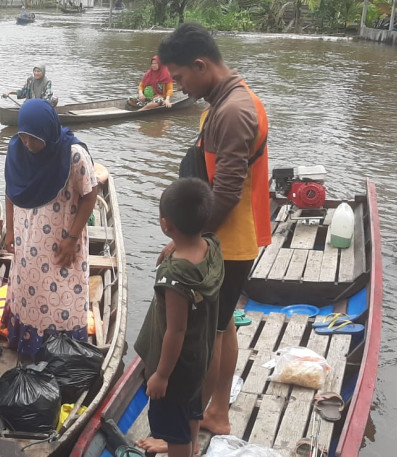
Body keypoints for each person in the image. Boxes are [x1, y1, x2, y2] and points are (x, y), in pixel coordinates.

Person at [139, 22, 271, 454]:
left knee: (207, 333)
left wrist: (186, 242)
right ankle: (213, 411)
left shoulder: (233, 112)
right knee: (222, 324)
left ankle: (194, 423)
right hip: (225, 238)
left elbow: (228, 192)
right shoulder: (230, 100)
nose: (176, 86)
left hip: (225, 242)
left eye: (179, 78)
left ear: (201, 64)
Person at [2, 99, 98, 360]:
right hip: (26, 237)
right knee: (28, 290)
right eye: (24, 136)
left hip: (61, 239)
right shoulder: (16, 151)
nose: (28, 145)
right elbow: (11, 192)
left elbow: (90, 195)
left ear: (48, 132)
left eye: (35, 139)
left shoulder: (73, 155)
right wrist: (10, 230)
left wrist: (72, 238)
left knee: (60, 294)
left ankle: (61, 350)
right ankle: (28, 343)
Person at [134, 178, 222, 457]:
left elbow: (176, 330)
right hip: (199, 358)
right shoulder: (212, 247)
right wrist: (177, 244)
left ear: (165, 225)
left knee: (176, 435)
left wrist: (160, 375)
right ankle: (193, 446)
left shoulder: (174, 275)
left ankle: (185, 449)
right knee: (192, 412)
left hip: (176, 370)